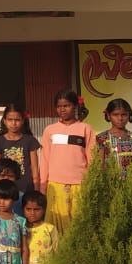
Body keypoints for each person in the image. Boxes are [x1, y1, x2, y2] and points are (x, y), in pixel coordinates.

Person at [37, 91, 95, 237]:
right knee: (56, 228)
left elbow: (92, 158)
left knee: (79, 226)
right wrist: (43, 186)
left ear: (75, 106)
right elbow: (45, 159)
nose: (62, 109)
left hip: (80, 184)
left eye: (66, 105)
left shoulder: (86, 128)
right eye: (59, 106)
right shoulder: (50, 130)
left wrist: (91, 183)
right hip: (55, 185)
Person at [0, 104, 41, 193]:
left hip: (26, 187)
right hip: (6, 189)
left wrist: (36, 191)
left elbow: (34, 169)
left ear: (23, 121)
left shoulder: (30, 140)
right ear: (4, 121)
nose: (13, 123)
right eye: (10, 120)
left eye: (17, 120)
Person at [96, 98, 132, 178]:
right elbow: (101, 165)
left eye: (124, 114)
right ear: (108, 116)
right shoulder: (101, 138)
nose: (120, 118)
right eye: (115, 115)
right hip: (111, 183)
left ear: (129, 115)